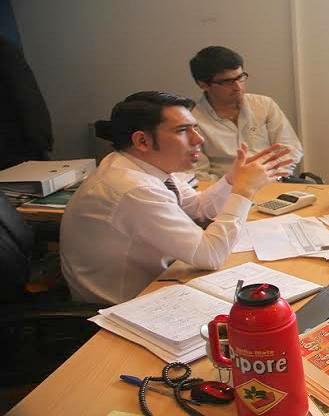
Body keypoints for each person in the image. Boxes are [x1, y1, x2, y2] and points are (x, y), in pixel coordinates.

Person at [60, 91, 290, 304]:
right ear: (142, 141)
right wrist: (243, 191)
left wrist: (232, 179)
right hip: (122, 307)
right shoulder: (133, 188)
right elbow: (210, 255)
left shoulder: (141, 164)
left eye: (195, 128)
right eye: (182, 130)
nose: (198, 139)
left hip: (158, 282)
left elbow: (198, 208)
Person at [189, 46, 302, 179]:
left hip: (272, 180)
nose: (238, 87)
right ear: (203, 84)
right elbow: (197, 173)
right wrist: (235, 184)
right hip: (225, 187)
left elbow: (290, 148)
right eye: (227, 82)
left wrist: (272, 175)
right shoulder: (192, 120)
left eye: (240, 77)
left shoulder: (264, 105)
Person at [0, 36, 53, 169]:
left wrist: (40, 143)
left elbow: (27, 96)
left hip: (15, 148)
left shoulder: (4, 50)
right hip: (22, 145)